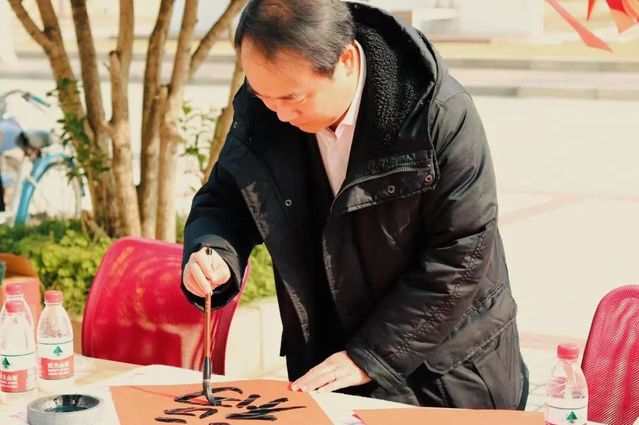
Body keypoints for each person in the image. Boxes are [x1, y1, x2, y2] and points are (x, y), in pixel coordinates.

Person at [182, 0, 528, 409]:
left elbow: (461, 254)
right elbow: (226, 199)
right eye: (264, 96)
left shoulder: (435, 113)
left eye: (294, 99)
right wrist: (214, 250)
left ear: (345, 60)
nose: (280, 114)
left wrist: (371, 356)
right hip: (329, 366)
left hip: (445, 371)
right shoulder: (267, 105)